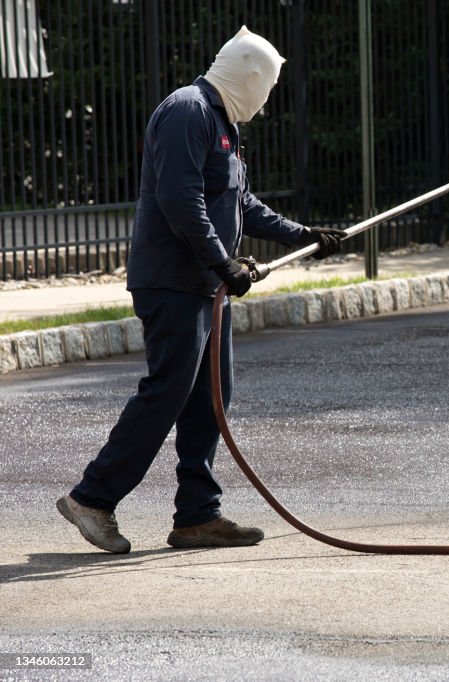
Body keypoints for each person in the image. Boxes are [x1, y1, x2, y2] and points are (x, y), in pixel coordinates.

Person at [56, 27, 346, 553]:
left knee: (212, 398)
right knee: (167, 391)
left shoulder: (223, 124)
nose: (267, 95)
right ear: (251, 76)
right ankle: (92, 498)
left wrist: (303, 235)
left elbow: (243, 204)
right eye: (269, 84)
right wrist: (223, 262)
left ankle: (197, 517)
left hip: (205, 285)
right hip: (173, 282)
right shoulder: (188, 111)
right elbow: (180, 199)